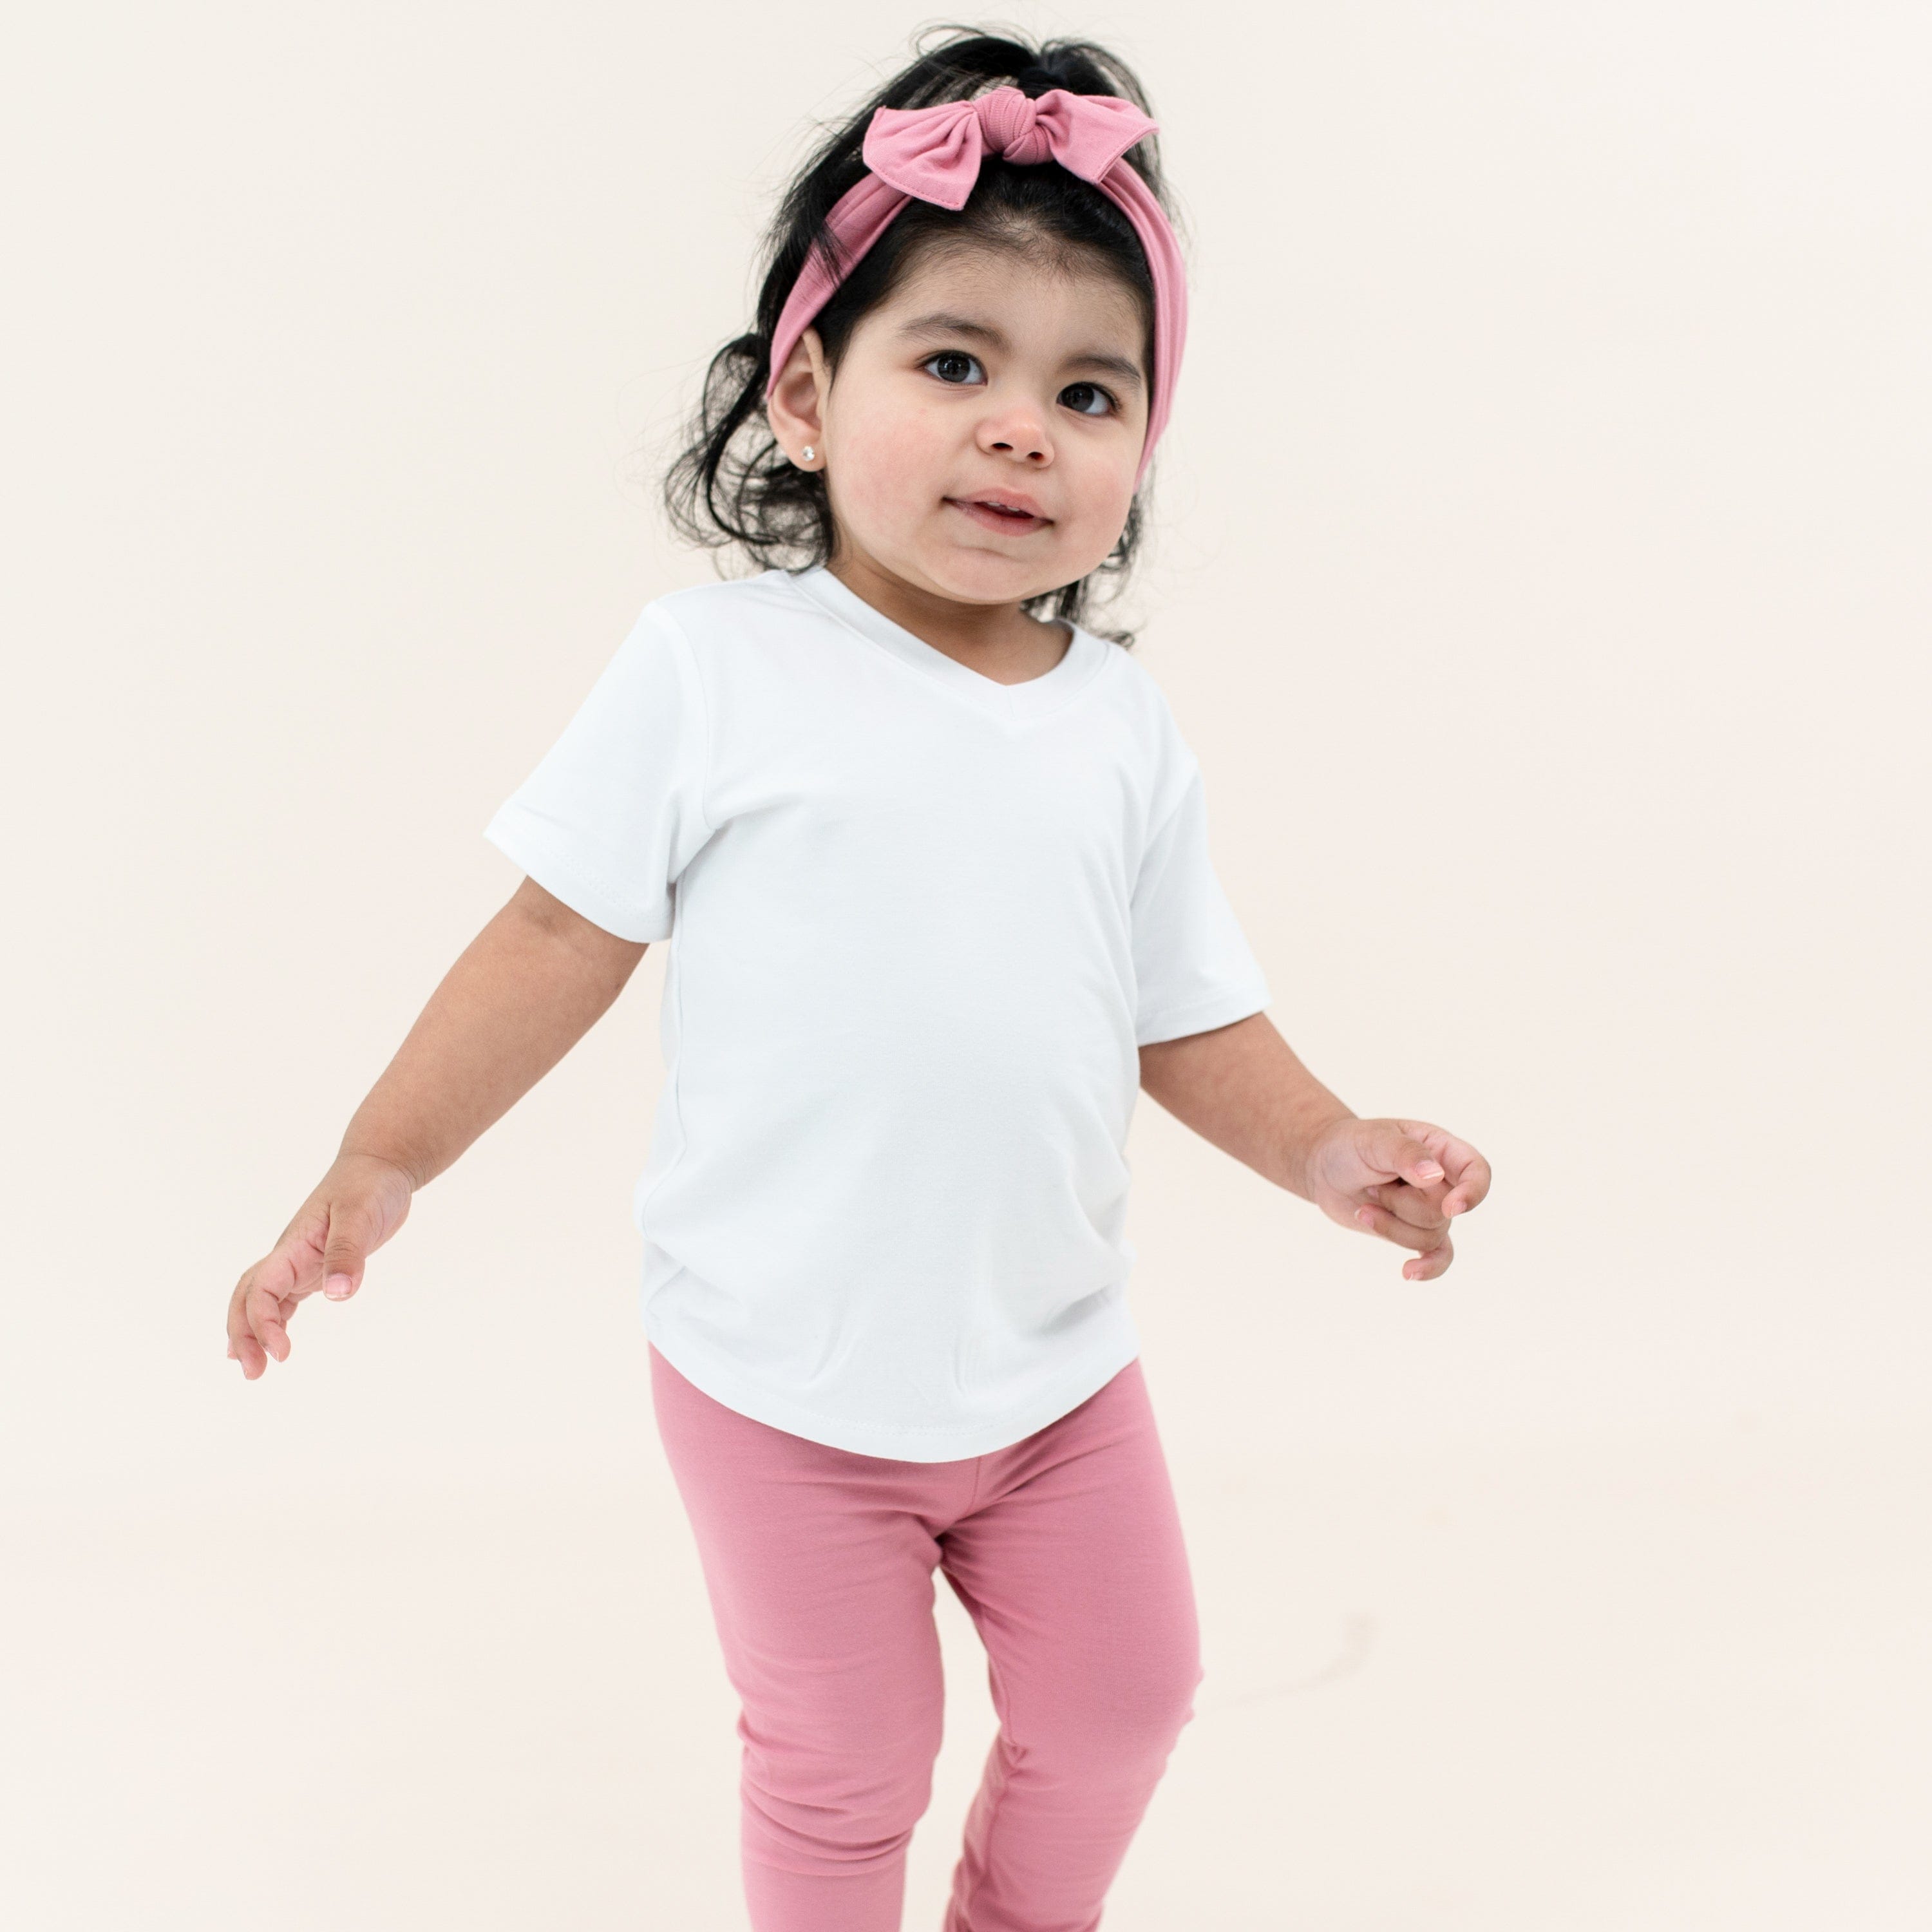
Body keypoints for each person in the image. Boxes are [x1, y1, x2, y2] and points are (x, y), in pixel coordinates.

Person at [224, 27, 1492, 1932]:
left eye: (1089, 391)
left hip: (1057, 1377)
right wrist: (380, 1158)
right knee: (846, 1763)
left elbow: (1185, 1009)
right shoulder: (714, 671)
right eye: (955, 363)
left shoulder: (1119, 727)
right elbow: (556, 936)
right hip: (780, 1384)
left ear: (1143, 450)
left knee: (1130, 1701)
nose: (1020, 428)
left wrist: (1326, 1148)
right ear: (807, 395)